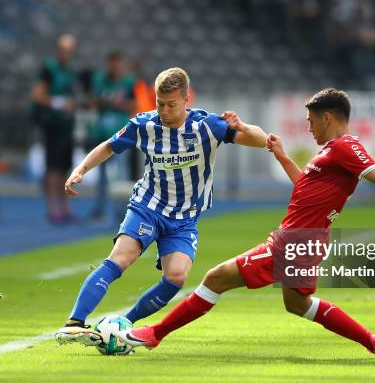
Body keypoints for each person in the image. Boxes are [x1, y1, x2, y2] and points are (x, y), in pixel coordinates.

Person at [118, 88, 375, 359]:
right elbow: (306, 187)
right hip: (308, 241)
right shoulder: (329, 152)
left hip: (294, 242)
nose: (308, 128)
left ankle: (154, 334)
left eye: (311, 121)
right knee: (297, 303)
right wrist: (282, 154)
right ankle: (371, 341)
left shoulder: (346, 146)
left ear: (328, 117)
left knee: (215, 278)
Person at [55, 67, 268, 345]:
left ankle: (125, 325)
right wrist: (80, 170)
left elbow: (263, 140)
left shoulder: (208, 126)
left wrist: (243, 127)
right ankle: (74, 323)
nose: (164, 111)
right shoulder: (144, 125)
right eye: (160, 104)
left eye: (171, 105)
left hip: (185, 218)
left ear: (186, 99)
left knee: (177, 277)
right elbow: (109, 145)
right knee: (121, 258)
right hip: (148, 206)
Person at [31, 34, 77, 224]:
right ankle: (52, 209)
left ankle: (65, 208)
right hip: (52, 124)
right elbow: (37, 95)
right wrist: (57, 103)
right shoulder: (49, 69)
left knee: (65, 168)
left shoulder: (71, 70)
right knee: (52, 168)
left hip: (66, 125)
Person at [87, 51, 137, 221]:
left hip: (121, 134)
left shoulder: (128, 82)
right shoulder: (100, 80)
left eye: (118, 63)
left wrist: (116, 103)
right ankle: (99, 209)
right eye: (112, 63)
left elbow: (133, 104)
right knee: (101, 175)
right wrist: (104, 102)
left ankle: (122, 211)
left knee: (121, 175)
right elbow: (92, 101)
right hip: (101, 133)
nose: (115, 66)